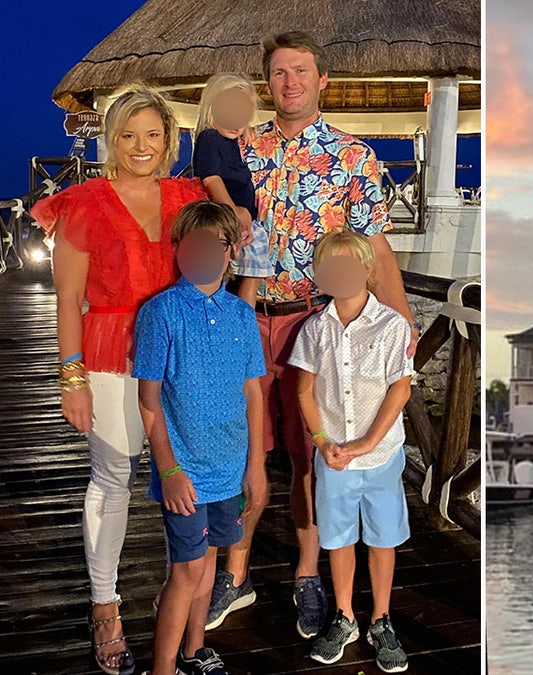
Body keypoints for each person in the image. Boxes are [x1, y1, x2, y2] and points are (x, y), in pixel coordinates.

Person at [205, 31, 420, 639]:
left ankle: (306, 575)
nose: (289, 82)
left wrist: (401, 326)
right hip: (246, 317)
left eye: (301, 71)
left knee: (308, 457)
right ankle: (236, 573)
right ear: (265, 83)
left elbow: (373, 249)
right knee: (242, 452)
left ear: (323, 80)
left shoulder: (353, 157)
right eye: (277, 73)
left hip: (312, 320)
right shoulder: (238, 147)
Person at [30, 84, 218, 675]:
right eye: (128, 135)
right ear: (111, 139)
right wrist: (71, 377)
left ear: (171, 139)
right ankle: (105, 605)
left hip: (181, 355)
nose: (141, 146)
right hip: (110, 354)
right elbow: (67, 301)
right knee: (113, 474)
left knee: (187, 471)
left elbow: (236, 237)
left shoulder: (189, 196)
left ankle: (187, 599)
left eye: (153, 134)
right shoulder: (81, 202)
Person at [133, 201, 266, 675]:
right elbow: (149, 400)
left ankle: (195, 651)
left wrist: (256, 468)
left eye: (216, 245)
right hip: (184, 473)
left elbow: (254, 394)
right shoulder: (160, 313)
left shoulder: (242, 316)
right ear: (178, 250)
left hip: (231, 471)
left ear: (231, 253)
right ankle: (163, 667)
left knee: (209, 565)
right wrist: (168, 470)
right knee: (185, 571)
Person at [290, 230, 414, 673]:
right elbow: (305, 388)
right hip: (334, 458)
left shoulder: (393, 325)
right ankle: (344, 614)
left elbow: (400, 388)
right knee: (339, 538)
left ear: (366, 270)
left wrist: (367, 442)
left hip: (380, 457)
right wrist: (323, 441)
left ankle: (381, 618)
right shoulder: (314, 328)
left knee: (382, 538)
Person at [191, 72, 265, 306]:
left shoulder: (232, 143)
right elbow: (211, 179)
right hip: (227, 220)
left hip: (240, 221)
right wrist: (233, 210)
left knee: (247, 272)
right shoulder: (210, 139)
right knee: (250, 271)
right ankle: (244, 318)